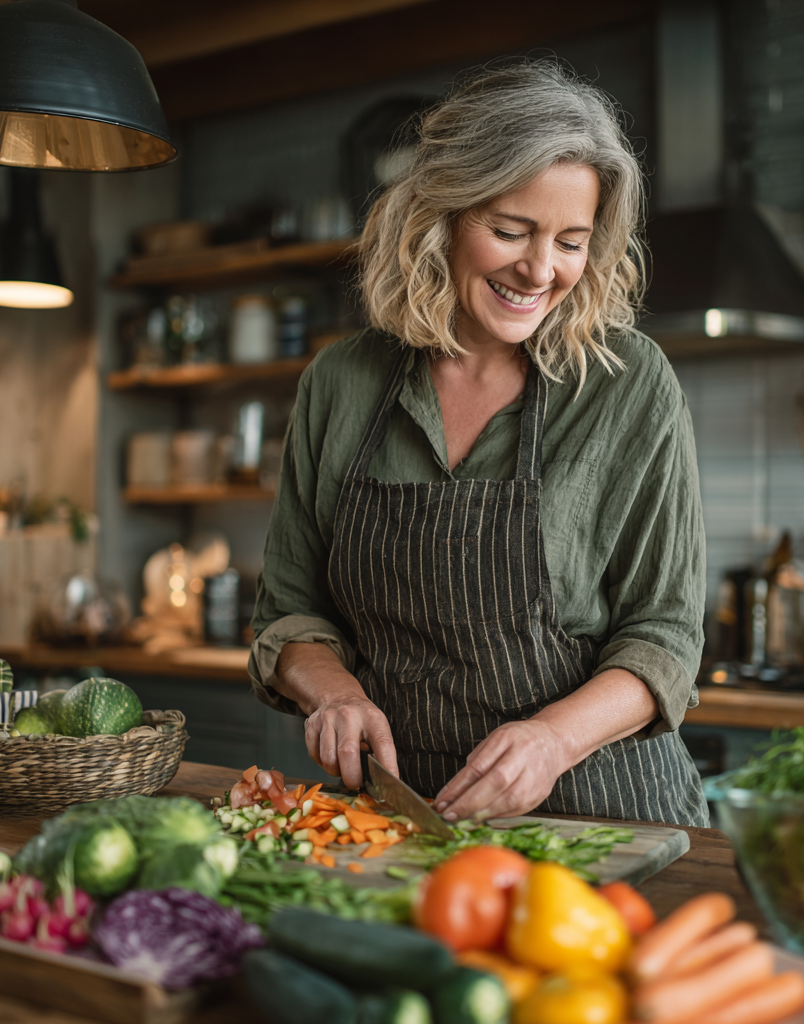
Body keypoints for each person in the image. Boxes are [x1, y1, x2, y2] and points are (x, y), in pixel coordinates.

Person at [249, 60, 708, 827]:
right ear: (439, 216)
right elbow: (291, 612)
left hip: (602, 820)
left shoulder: (628, 384)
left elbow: (665, 634)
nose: (540, 270)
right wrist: (332, 690)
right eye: (510, 230)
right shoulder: (341, 382)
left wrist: (553, 741)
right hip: (404, 822)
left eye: (571, 242)